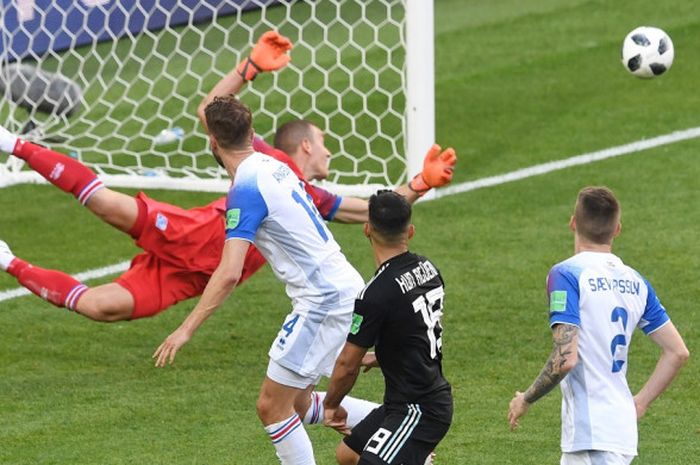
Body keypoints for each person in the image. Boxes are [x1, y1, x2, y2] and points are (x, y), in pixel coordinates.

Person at [151, 95, 361, 465]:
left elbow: (229, 271)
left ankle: (402, 427)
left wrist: (185, 329)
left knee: (271, 407)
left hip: (323, 300)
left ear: (213, 143)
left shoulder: (245, 191)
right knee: (294, 402)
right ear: (251, 132)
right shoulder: (274, 163)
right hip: (339, 288)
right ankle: (392, 425)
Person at [508, 186, 689, 465]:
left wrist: (526, 399)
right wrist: (639, 403)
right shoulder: (636, 282)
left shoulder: (566, 274)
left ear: (572, 223)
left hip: (593, 435)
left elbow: (565, 358)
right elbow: (677, 352)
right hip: (619, 433)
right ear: (617, 229)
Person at [322, 190, 453, 465]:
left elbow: (347, 364)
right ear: (411, 230)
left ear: (367, 229)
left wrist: (332, 405)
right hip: (415, 399)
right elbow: (415, 333)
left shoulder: (376, 293)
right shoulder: (428, 269)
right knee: (348, 455)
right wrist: (381, 356)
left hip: (418, 409)